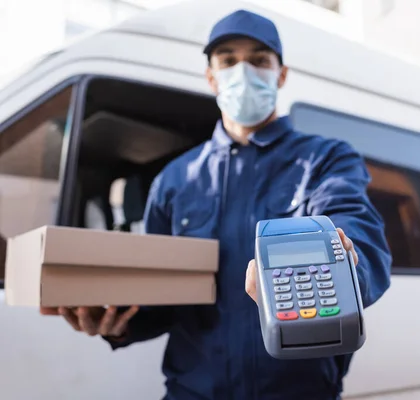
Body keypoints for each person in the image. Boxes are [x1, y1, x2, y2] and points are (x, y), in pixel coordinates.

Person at [41, 9, 392, 400]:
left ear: (281, 74)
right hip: (193, 392)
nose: (243, 72)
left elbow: (357, 232)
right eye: (228, 60)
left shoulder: (325, 160)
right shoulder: (175, 180)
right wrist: (116, 321)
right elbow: (162, 300)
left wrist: (345, 270)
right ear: (211, 77)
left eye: (259, 60)